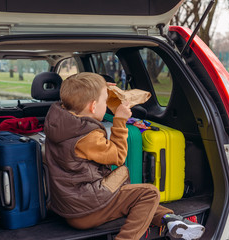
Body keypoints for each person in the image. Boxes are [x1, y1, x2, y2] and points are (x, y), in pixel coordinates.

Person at [44, 72, 205, 240]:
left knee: (129, 193)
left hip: (69, 205)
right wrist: (119, 120)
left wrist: (101, 88)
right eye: (104, 100)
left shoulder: (60, 122)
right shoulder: (87, 137)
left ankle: (168, 219)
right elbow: (119, 155)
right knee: (149, 193)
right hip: (85, 211)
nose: (106, 104)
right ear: (93, 107)